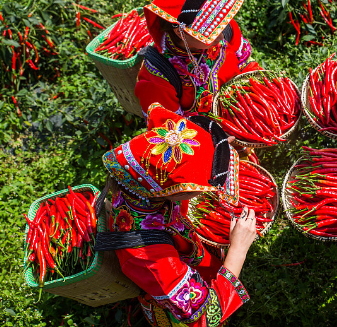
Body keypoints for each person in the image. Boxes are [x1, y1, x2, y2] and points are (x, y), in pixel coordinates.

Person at [101, 102, 256, 327]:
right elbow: (205, 316)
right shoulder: (149, 258)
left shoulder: (141, 177)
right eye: (197, 189)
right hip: (176, 307)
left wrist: (211, 149)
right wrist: (238, 251)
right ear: (177, 191)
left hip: (183, 254)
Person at [135, 0, 262, 120]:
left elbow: (246, 66)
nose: (222, 36)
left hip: (245, 116)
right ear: (180, 33)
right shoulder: (158, 76)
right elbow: (173, 130)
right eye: (210, 33)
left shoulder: (224, 27)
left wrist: (260, 94)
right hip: (205, 140)